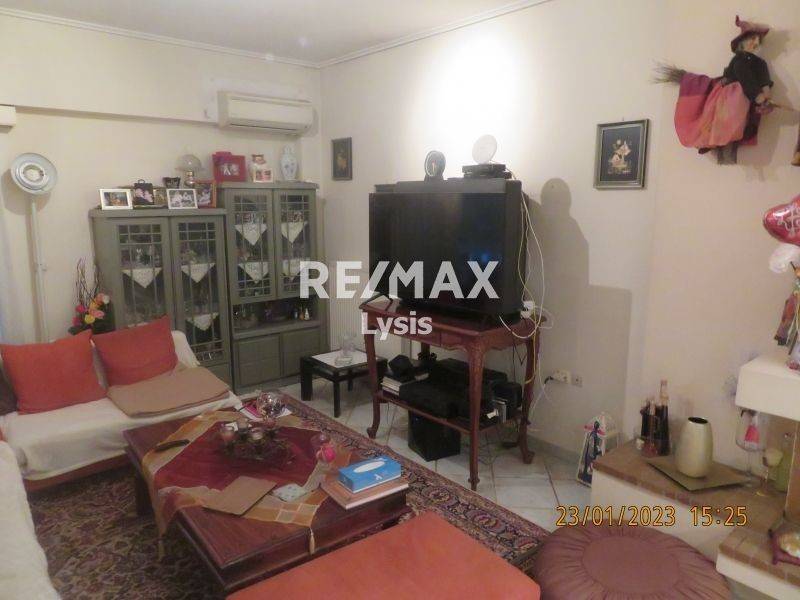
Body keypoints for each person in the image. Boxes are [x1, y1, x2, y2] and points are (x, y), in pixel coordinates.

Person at [659, 16, 774, 164]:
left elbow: (764, 80)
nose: (755, 42)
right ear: (741, 42)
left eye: (758, 40)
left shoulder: (760, 63)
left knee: (736, 118)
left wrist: (767, 95)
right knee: (724, 115)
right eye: (752, 38)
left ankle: (720, 138)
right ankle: (713, 139)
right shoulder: (739, 60)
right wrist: (757, 96)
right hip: (732, 94)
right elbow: (743, 75)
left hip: (746, 96)